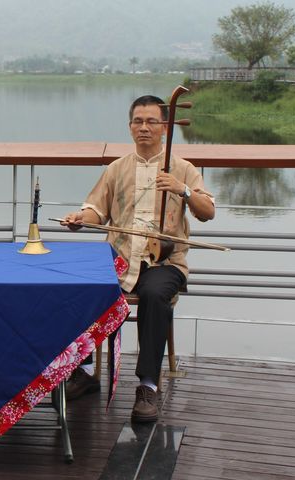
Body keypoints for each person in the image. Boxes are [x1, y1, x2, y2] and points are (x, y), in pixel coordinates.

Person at [62, 95, 215, 423]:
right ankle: (85, 370)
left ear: (165, 127)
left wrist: (181, 190)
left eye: (151, 122)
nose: (144, 128)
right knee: (81, 283)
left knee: (154, 294)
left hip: (164, 263)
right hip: (119, 257)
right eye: (138, 122)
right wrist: (79, 217)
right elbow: (96, 210)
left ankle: (148, 386)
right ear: (130, 127)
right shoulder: (118, 168)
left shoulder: (183, 168)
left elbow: (208, 213)